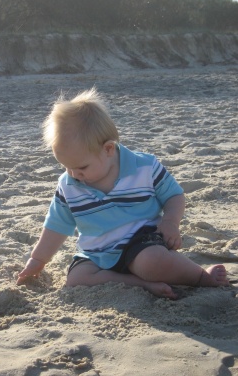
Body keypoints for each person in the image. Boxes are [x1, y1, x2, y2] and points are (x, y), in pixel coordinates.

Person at [17, 88, 229, 299]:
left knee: (152, 262)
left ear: (108, 149)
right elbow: (56, 226)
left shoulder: (144, 167)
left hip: (141, 243)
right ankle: (139, 284)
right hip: (97, 254)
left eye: (81, 167)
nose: (74, 174)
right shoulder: (68, 185)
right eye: (66, 167)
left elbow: (174, 195)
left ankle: (201, 277)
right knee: (76, 279)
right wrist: (37, 261)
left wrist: (171, 222)